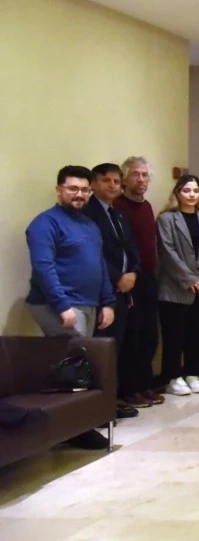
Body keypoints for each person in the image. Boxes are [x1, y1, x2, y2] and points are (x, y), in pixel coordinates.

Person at [25, 166, 117, 449]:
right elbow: (44, 267)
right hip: (58, 305)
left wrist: (108, 301)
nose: (79, 194)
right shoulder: (45, 224)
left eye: (84, 190)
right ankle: (75, 430)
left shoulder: (89, 224)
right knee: (75, 365)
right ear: (59, 190)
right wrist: (62, 305)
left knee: (81, 364)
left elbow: (100, 265)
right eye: (73, 189)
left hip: (89, 303)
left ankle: (79, 424)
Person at [85, 163, 141, 419]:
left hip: (124, 288)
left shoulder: (118, 213)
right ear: (94, 183)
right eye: (106, 180)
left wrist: (133, 273)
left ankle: (111, 399)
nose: (112, 185)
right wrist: (118, 277)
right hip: (103, 289)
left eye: (117, 181)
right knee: (101, 350)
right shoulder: (88, 213)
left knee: (115, 347)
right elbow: (94, 253)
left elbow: (131, 247)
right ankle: (99, 405)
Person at [156, 174, 199, 396]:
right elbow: (167, 252)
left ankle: (193, 373)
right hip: (175, 289)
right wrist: (189, 279)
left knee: (197, 335)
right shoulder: (166, 219)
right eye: (186, 190)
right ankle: (173, 377)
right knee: (174, 336)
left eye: (195, 191)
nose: (192, 195)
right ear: (178, 193)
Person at [114, 156, 164, 407]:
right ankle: (129, 388)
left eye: (145, 175)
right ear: (124, 179)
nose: (141, 179)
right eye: (135, 174)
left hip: (148, 279)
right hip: (128, 279)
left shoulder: (147, 207)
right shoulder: (118, 207)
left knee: (148, 336)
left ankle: (145, 384)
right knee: (131, 337)